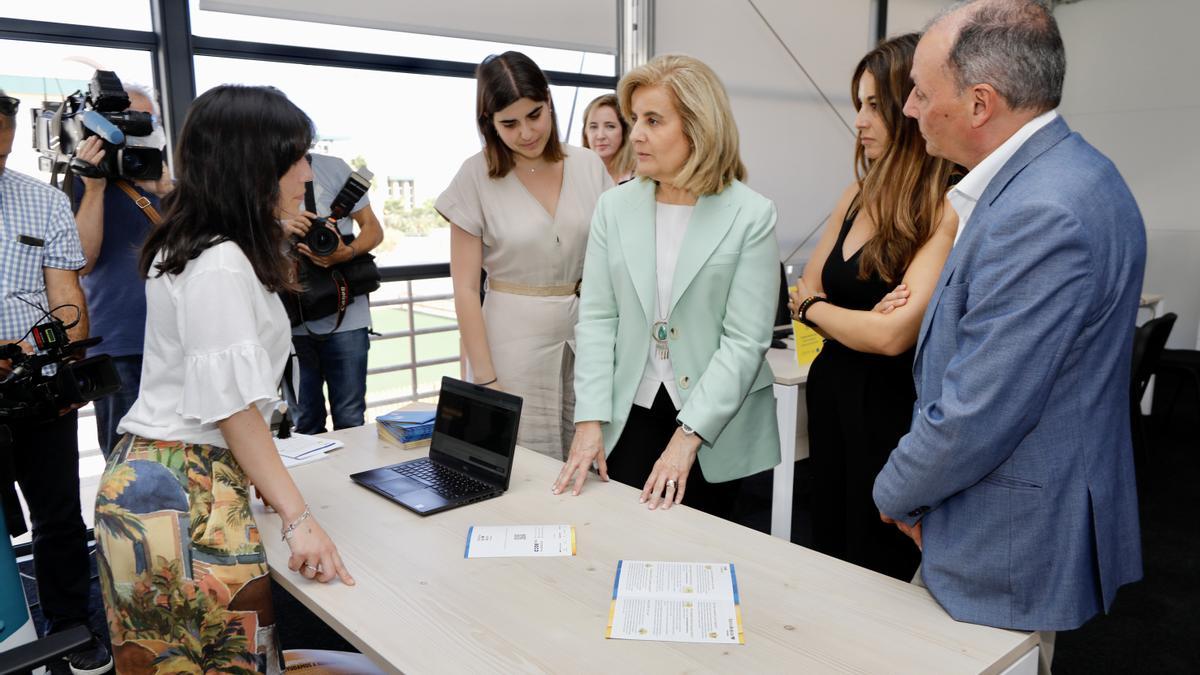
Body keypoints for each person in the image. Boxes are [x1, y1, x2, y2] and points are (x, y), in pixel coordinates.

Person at [871, 2, 1145, 672]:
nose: (907, 108)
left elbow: (979, 409)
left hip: (1006, 536)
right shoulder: (1068, 174)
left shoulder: (1041, 208)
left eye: (921, 92)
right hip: (1016, 513)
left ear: (979, 104)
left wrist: (895, 491)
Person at [95, 85, 364, 674]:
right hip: (181, 492)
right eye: (296, 157)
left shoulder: (212, 249)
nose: (305, 172)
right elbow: (236, 411)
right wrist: (300, 521)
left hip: (174, 478)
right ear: (255, 165)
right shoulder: (220, 264)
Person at [554, 54, 781, 520]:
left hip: (716, 423)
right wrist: (589, 418)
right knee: (620, 546)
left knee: (703, 570)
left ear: (698, 128)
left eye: (653, 120)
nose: (634, 133)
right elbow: (597, 319)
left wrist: (686, 439)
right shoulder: (613, 209)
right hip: (628, 412)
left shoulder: (750, 214)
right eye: (635, 118)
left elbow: (744, 341)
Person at [787, 34, 959, 581]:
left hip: (891, 404)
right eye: (857, 105)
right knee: (828, 538)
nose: (859, 121)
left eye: (874, 105)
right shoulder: (853, 196)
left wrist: (819, 307)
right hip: (832, 387)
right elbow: (802, 289)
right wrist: (832, 311)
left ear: (913, 105)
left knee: (877, 557)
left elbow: (892, 337)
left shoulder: (945, 205)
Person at [437, 51, 611, 460]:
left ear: (548, 101)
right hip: (511, 338)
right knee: (523, 462)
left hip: (586, 333)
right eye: (509, 124)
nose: (527, 132)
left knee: (588, 460)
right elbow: (464, 287)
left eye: (534, 115)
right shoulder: (474, 176)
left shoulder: (588, 166)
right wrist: (485, 376)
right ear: (489, 124)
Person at [0, 91, 113, 675]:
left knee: (60, 518)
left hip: (35, 387)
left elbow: (67, 300)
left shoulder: (42, 202)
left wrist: (54, 354)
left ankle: (71, 628)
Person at [71, 83, 173, 458]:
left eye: (148, 121)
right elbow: (82, 262)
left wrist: (164, 190)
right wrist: (94, 189)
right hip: (119, 344)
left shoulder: (165, 183)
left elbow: (195, 246)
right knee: (127, 463)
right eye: (129, 121)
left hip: (177, 341)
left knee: (184, 455)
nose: (139, 130)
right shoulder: (83, 179)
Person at [281, 152, 383, 434]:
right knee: (304, 422)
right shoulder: (256, 172)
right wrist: (283, 229)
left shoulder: (334, 168)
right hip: (292, 317)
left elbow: (373, 229)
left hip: (346, 313)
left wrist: (345, 253)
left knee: (351, 419)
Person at [581, 94, 635, 185]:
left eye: (610, 126)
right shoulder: (576, 174)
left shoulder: (640, 177)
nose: (600, 136)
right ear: (585, 133)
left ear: (624, 131)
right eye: (593, 127)